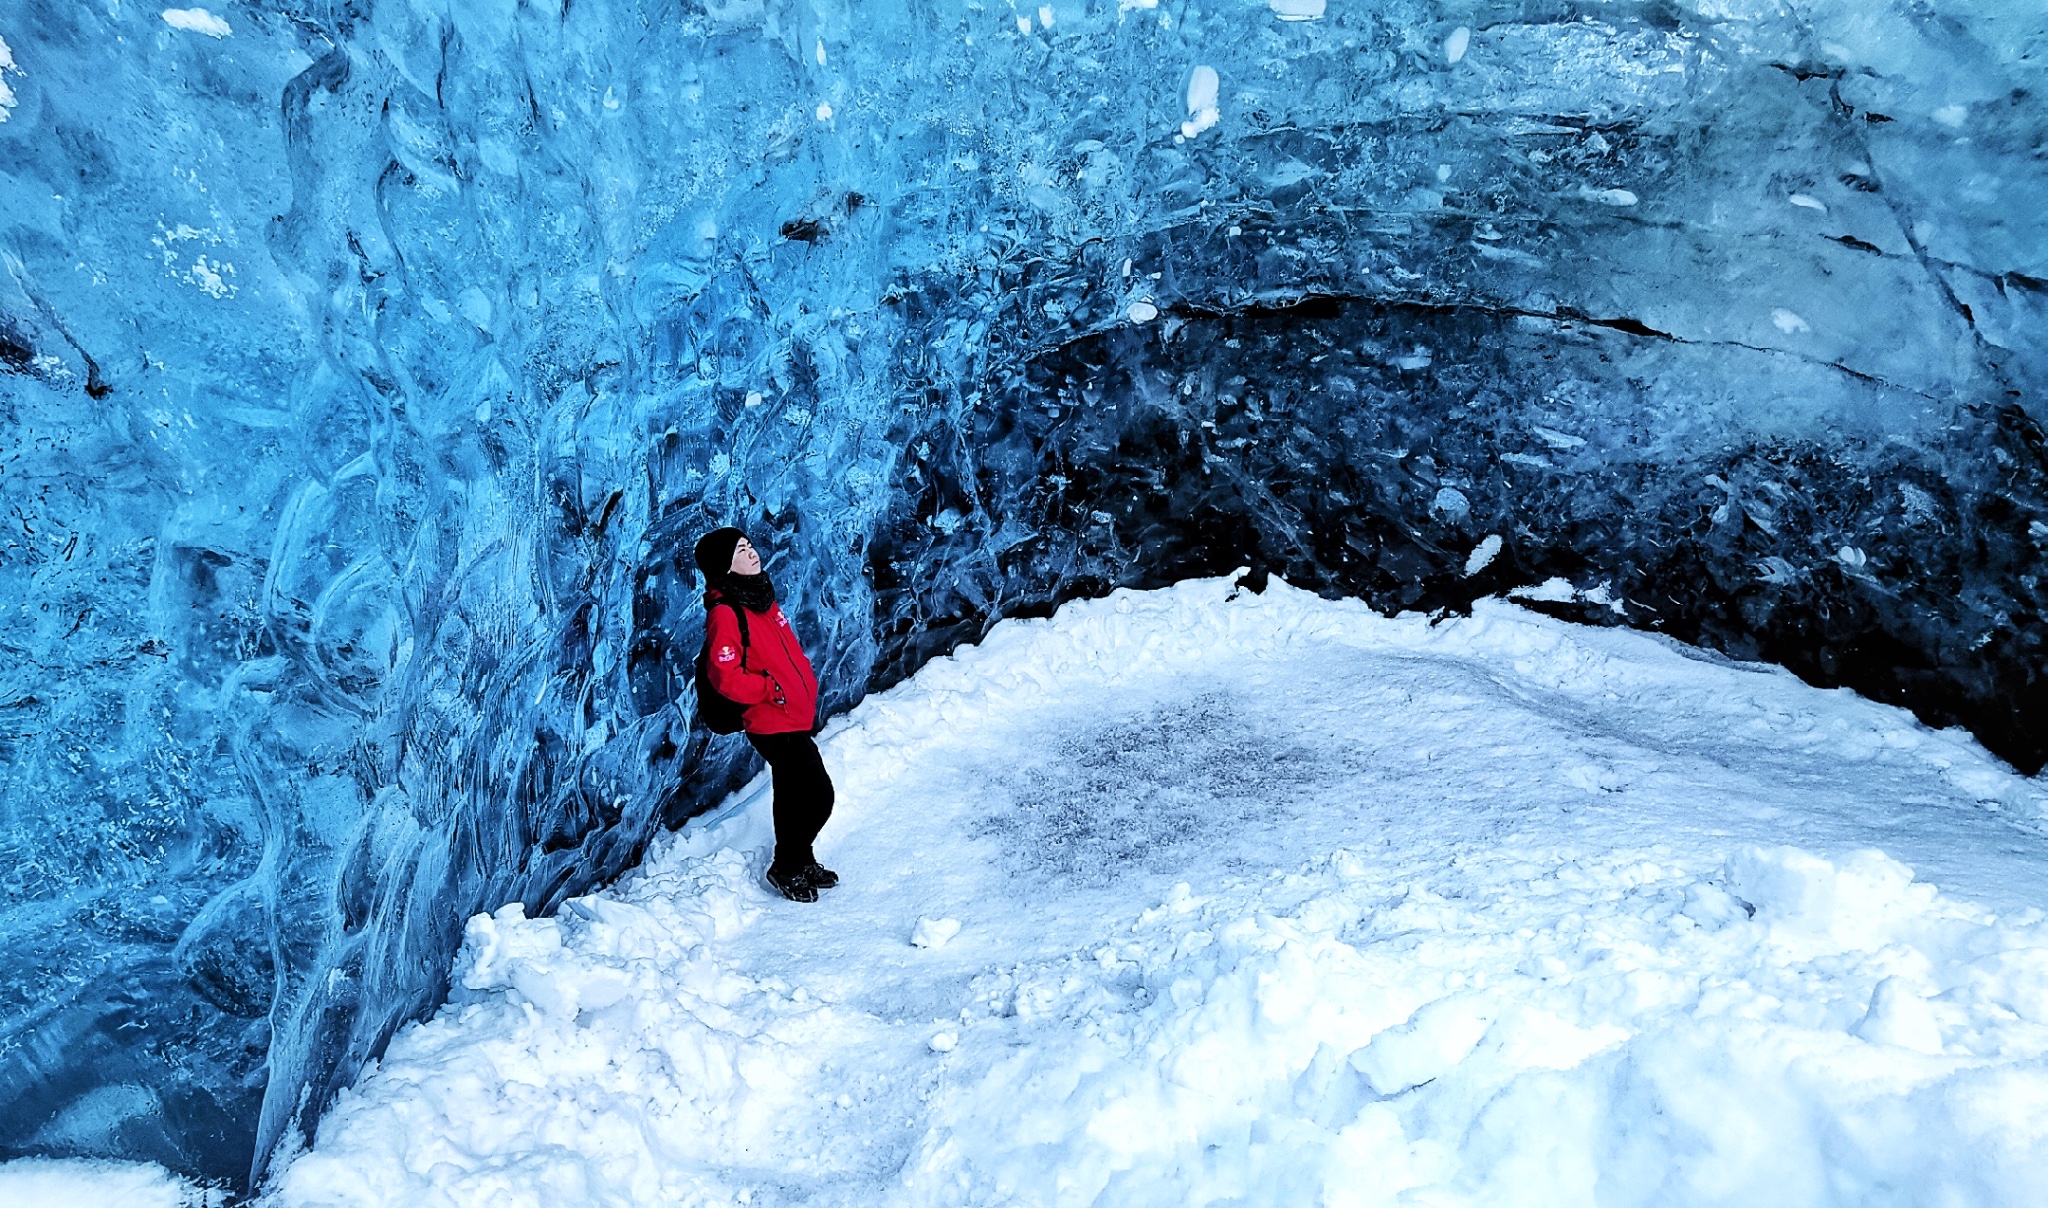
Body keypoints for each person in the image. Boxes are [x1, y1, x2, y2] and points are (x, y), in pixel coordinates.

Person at [693, 526, 838, 903]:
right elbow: (725, 677)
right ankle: (787, 864)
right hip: (771, 721)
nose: (752, 552)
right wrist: (771, 690)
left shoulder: (759, 597)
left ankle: (799, 860)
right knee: (818, 795)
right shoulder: (726, 612)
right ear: (724, 565)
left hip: (790, 715)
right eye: (740, 550)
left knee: (792, 794)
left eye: (749, 545)